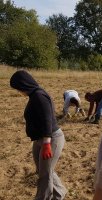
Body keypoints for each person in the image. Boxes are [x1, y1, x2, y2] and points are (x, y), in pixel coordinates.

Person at [10, 70, 67, 200]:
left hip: (51, 139)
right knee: (43, 170)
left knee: (44, 175)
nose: (19, 92)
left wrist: (47, 144)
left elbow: (47, 120)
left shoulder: (39, 96)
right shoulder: (34, 95)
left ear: (24, 84)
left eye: (18, 88)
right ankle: (60, 193)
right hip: (40, 140)